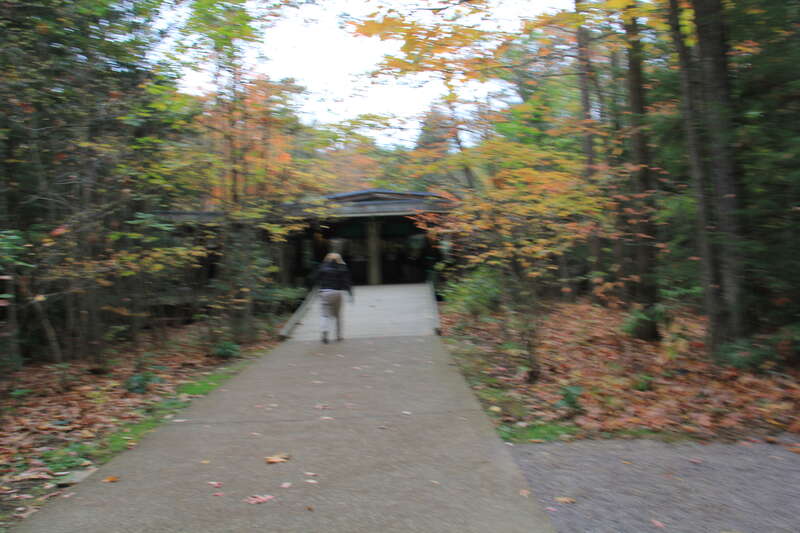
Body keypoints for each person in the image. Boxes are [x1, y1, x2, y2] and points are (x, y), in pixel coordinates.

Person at [314, 253, 353, 343]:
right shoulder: (342, 268)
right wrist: (350, 294)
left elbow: (315, 278)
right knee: (338, 316)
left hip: (325, 293)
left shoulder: (322, 267)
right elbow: (347, 282)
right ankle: (338, 336)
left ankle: (325, 332)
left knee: (324, 315)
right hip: (337, 293)